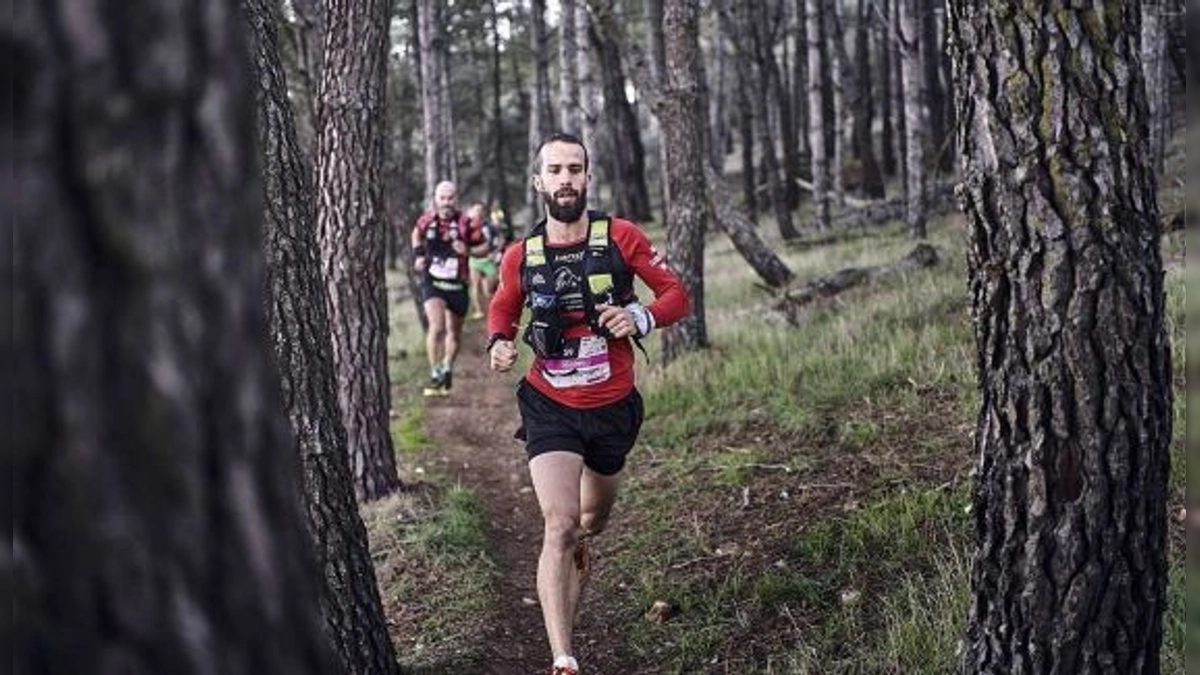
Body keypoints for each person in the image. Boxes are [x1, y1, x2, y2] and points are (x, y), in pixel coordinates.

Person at [487, 133, 690, 675]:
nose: (565, 179)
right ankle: (564, 658)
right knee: (559, 522)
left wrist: (640, 317)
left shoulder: (620, 237)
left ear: (587, 177)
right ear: (539, 182)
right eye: (554, 170)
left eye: (574, 168)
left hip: (612, 408)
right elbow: (503, 308)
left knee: (590, 520)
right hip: (549, 405)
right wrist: (500, 342)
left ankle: (584, 543)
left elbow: (676, 294)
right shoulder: (521, 255)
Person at [412, 180, 489, 396]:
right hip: (433, 281)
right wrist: (418, 255)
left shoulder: (467, 223)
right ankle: (435, 372)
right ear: (436, 199)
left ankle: (447, 366)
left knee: (454, 332)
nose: (446, 202)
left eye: (450, 198)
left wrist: (469, 250)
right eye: (442, 198)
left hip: (457, 283)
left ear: (456, 199)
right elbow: (416, 234)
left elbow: (484, 246)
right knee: (436, 327)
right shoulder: (427, 220)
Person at [466, 202, 503, 320]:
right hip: (474, 261)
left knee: (488, 290)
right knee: (475, 286)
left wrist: (496, 252)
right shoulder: (467, 227)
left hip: (488, 260)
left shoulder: (489, 227)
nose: (478, 213)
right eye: (476, 210)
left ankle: (495, 310)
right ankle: (479, 311)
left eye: (480, 210)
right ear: (471, 212)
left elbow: (500, 239)